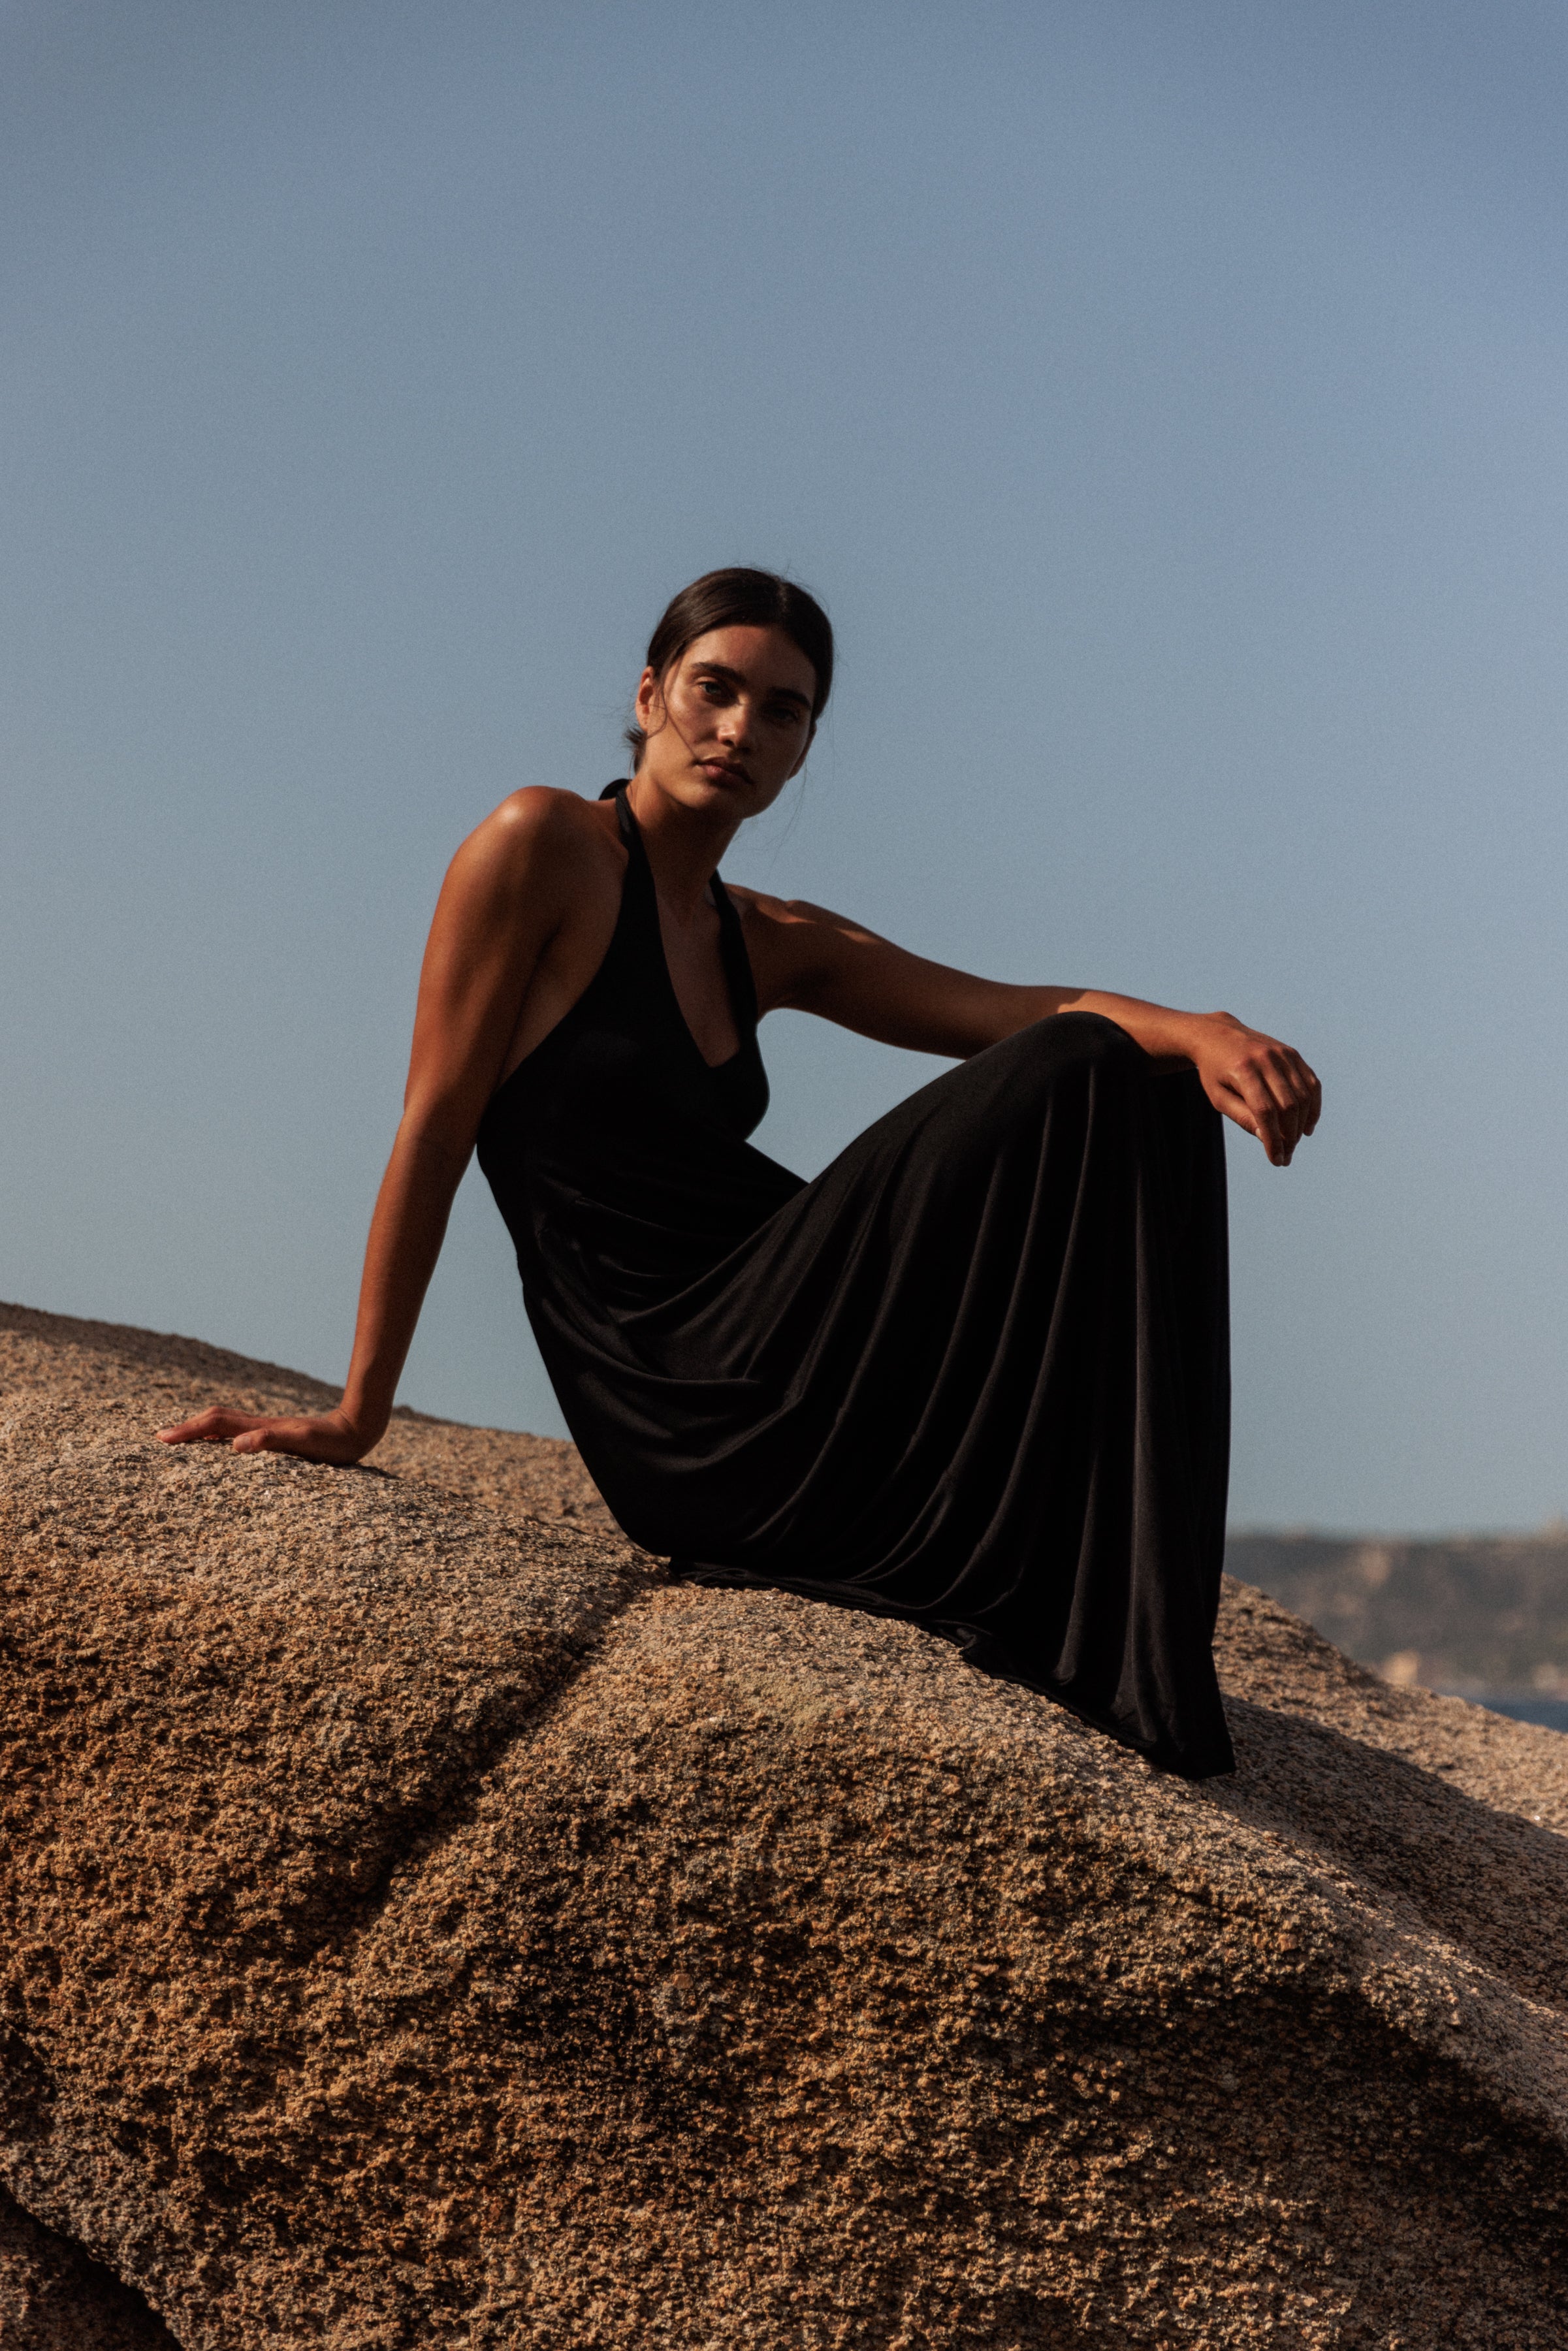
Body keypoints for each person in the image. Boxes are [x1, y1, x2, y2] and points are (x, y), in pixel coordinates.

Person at [161, 568, 1319, 1777]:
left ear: (806, 744)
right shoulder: (541, 845)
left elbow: (1007, 1009)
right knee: (1087, 1061)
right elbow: (434, 1125)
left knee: (1146, 1078)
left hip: (788, 1354)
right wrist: (358, 1411)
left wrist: (1204, 1029)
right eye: (713, 690)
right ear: (649, 695)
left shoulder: (770, 937)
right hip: (682, 1403)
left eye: (781, 710)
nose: (739, 729)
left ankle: (1127, 1630)